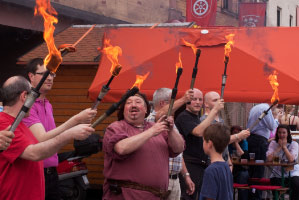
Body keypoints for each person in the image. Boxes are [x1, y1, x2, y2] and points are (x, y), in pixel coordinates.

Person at [0, 76, 94, 200]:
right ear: (24, 96)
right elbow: (34, 153)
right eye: (33, 96)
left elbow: (40, 146)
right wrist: (69, 134)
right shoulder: (4, 123)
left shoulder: (21, 124)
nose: (34, 101)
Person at [22, 58, 97, 200]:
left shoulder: (47, 103)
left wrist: (78, 123)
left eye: (52, 74)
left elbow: (54, 136)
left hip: (52, 173)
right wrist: (76, 120)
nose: (50, 78)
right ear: (31, 76)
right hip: (35, 173)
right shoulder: (27, 106)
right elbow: (42, 139)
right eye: (44, 74)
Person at [102, 92, 185, 199]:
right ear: (123, 110)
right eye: (129, 103)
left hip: (156, 196)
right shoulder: (116, 127)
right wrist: (151, 131)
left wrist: (171, 130)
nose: (133, 105)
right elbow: (121, 148)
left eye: (138, 102)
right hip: (126, 195)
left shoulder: (157, 128)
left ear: (146, 109)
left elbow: (179, 148)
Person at [175, 88, 224, 200]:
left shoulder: (196, 117)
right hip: (189, 165)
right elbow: (198, 131)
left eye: (200, 99)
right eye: (194, 99)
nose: (197, 102)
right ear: (187, 101)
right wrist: (214, 111)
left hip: (201, 165)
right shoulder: (184, 116)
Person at [147, 88, 195, 199]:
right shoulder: (151, 120)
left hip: (175, 180)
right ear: (163, 103)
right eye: (173, 102)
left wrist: (186, 175)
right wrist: (184, 99)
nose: (177, 105)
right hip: (159, 179)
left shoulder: (171, 122)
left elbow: (178, 152)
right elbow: (159, 114)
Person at [246, 103, 278, 200]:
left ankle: (252, 195)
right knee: (258, 171)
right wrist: (276, 119)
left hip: (251, 139)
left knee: (252, 170)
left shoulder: (254, 108)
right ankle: (256, 197)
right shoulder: (266, 109)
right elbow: (272, 126)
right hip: (259, 141)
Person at [199, 123, 233, 200]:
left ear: (209, 144)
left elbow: (210, 197)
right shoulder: (227, 166)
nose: (203, 143)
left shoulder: (210, 171)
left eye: (204, 140)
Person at [266, 124, 299, 200]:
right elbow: (269, 159)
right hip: (277, 172)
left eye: (284, 133)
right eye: (279, 132)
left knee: (296, 184)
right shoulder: (273, 143)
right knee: (274, 183)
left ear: (288, 134)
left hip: (292, 171)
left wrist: (284, 147)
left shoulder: (294, 144)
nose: (281, 135)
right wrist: (278, 147)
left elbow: (291, 159)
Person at [229, 125, 249, 200]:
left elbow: (245, 158)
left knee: (243, 175)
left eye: (238, 133)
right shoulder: (228, 143)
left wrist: (236, 144)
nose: (236, 135)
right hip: (231, 168)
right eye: (234, 133)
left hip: (241, 168)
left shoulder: (244, 143)